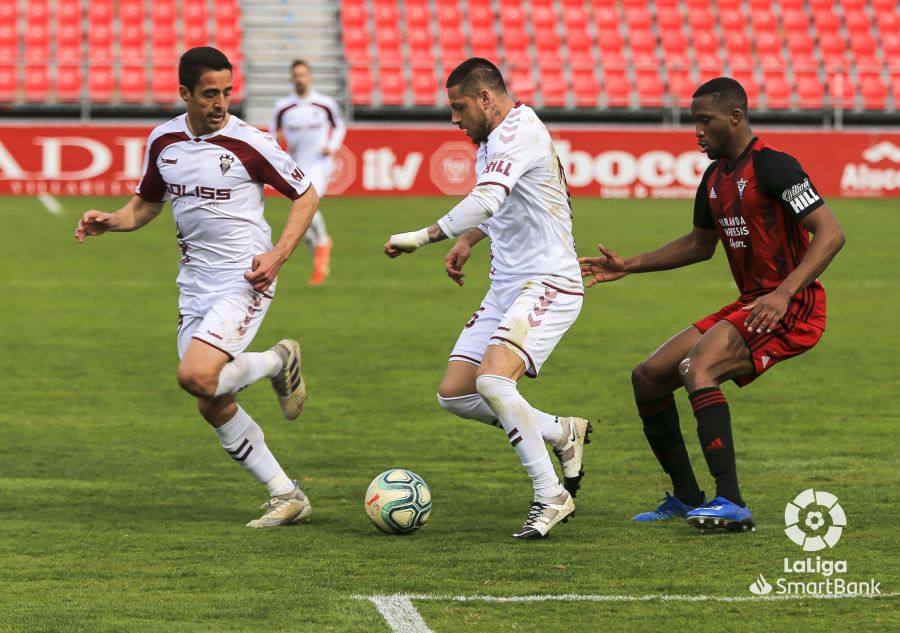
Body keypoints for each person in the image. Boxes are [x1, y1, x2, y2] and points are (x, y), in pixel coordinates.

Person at [580, 77, 845, 533]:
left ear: (735, 118)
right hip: (751, 302)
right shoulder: (715, 177)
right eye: (694, 122)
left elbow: (831, 232)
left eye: (704, 121)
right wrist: (632, 264)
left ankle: (732, 502)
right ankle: (687, 496)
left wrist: (784, 293)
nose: (696, 131)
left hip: (791, 304)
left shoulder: (776, 167)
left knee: (697, 367)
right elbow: (701, 245)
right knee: (648, 377)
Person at [75, 47, 320, 528]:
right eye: (210, 93)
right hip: (194, 287)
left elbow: (306, 194)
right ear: (185, 93)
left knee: (195, 377)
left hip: (244, 279)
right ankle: (286, 494)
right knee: (212, 402)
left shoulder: (250, 142)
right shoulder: (163, 140)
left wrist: (278, 256)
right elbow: (145, 205)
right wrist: (112, 221)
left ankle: (277, 360)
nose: (221, 103)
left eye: (227, 92)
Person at [384, 58, 592, 539]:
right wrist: (469, 240)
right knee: (455, 393)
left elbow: (488, 198)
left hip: (548, 282)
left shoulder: (517, 132)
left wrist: (426, 235)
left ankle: (550, 495)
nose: (453, 119)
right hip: (506, 286)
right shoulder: (492, 139)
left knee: (495, 382)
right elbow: (504, 204)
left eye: (458, 107)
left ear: (485, 98)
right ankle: (562, 433)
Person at [271, 59, 346, 285]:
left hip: (320, 164)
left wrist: (331, 146)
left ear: (310, 77)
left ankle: (322, 245)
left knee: (307, 204)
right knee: (304, 215)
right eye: (296, 75)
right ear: (291, 78)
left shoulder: (324, 103)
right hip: (297, 164)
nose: (300, 78)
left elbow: (340, 126)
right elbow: (273, 134)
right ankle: (319, 255)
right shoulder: (283, 106)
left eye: (304, 74)